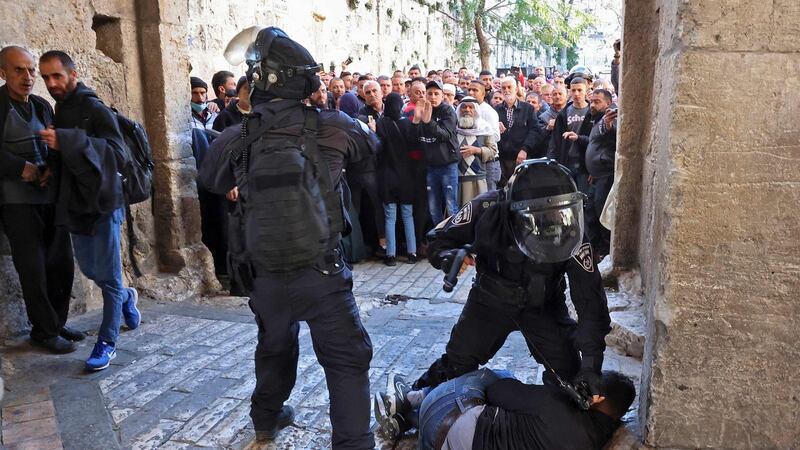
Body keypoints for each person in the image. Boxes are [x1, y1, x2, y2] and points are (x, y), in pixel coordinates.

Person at [198, 27, 378, 448]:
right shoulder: (334, 127)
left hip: (265, 274)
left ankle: (266, 418)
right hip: (323, 273)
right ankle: (354, 442)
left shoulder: (236, 137)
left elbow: (210, 177)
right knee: (346, 359)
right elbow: (370, 145)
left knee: (274, 346)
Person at [411, 159, 612, 411]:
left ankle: (553, 420)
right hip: (489, 302)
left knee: (571, 378)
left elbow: (590, 299)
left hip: (545, 305)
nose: (551, 224)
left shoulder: (571, 227)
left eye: (557, 215)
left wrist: (592, 365)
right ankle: (412, 402)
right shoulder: (487, 207)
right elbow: (438, 240)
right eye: (540, 218)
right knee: (456, 366)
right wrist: (447, 257)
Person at [38, 50, 141, 371]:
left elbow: (117, 153)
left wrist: (66, 139)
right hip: (75, 204)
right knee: (91, 270)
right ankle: (126, 297)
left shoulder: (94, 108)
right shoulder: (61, 108)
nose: (51, 83)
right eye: (46, 78)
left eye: (57, 76)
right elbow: (69, 154)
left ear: (72, 74)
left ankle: (107, 342)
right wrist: (48, 166)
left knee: (108, 277)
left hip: (104, 203)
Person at [0, 46, 79, 354]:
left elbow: (53, 143)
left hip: (49, 196)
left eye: (32, 70)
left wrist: (49, 168)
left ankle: (57, 323)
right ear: (4, 73)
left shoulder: (43, 105)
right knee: (32, 268)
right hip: (16, 202)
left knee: (61, 263)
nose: (28, 77)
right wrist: (23, 168)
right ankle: (44, 331)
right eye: (19, 70)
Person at [375, 368, 636, 449]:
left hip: (441, 424)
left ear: (598, 398)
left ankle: (412, 397)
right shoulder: (596, 437)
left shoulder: (556, 406)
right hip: (441, 444)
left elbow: (497, 392)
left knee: (497, 376)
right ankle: (404, 420)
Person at [375, 93, 417, 266]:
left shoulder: (381, 124)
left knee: (390, 216)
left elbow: (378, 149)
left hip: (387, 175)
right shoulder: (407, 123)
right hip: (406, 176)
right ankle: (412, 252)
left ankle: (390, 254)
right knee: (408, 215)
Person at [411, 80, 459, 227]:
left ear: (442, 95)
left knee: (451, 206)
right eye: (429, 93)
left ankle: (453, 239)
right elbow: (414, 139)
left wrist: (428, 122)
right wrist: (416, 120)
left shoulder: (447, 111)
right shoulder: (422, 108)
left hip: (447, 165)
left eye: (436, 93)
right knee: (433, 208)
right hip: (430, 166)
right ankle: (439, 238)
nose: (432, 97)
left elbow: (445, 135)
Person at [584, 90, 618, 259]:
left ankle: (605, 252)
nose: (592, 105)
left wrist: (609, 126)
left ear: (608, 103)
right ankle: (594, 251)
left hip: (606, 175)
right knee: (591, 212)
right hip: (596, 176)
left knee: (602, 214)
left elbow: (618, 135)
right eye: (591, 101)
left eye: (597, 101)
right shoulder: (597, 120)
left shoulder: (612, 117)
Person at [495, 77, 545, 187]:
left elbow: (534, 130)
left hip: (522, 157)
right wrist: (494, 125)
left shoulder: (528, 108)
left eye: (509, 87)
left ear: (516, 89)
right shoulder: (495, 110)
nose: (506, 90)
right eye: (504, 88)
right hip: (502, 159)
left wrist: (525, 149)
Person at [454, 97, 496, 205]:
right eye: (464, 107)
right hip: (456, 179)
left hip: (478, 178)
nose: (467, 110)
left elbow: (493, 151)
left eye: (470, 107)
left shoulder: (485, 128)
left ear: (476, 110)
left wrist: (476, 150)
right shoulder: (453, 128)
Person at [465, 81, 501, 191]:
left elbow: (495, 136)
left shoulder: (488, 111)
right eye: (469, 89)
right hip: (472, 162)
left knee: (488, 200)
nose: (471, 92)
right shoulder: (465, 109)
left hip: (488, 162)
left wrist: (476, 142)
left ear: (483, 94)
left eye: (475, 90)